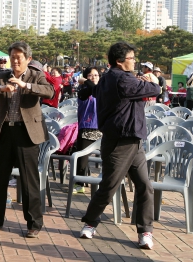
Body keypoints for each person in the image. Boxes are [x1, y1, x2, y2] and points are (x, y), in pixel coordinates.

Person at [79, 42, 160, 250]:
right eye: (132, 58)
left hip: (132, 139)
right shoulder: (122, 78)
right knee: (109, 185)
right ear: (119, 60)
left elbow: (97, 92)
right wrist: (152, 80)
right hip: (120, 140)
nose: (134, 61)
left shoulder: (107, 78)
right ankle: (90, 222)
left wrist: (142, 80)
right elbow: (156, 89)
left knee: (144, 186)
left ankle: (145, 231)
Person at [0, 41, 54, 238]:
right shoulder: (3, 76)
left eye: (19, 57)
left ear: (28, 59)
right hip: (6, 131)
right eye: (12, 57)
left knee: (29, 180)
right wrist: (1, 90)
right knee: (0, 176)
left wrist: (25, 85)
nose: (15, 61)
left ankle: (34, 223)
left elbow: (49, 92)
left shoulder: (36, 75)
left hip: (27, 133)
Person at [73, 67, 102, 194]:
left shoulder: (102, 91)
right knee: (82, 158)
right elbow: (90, 88)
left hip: (103, 129)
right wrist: (85, 82)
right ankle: (79, 183)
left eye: (96, 75)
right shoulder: (83, 91)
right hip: (87, 128)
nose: (94, 77)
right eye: (90, 75)